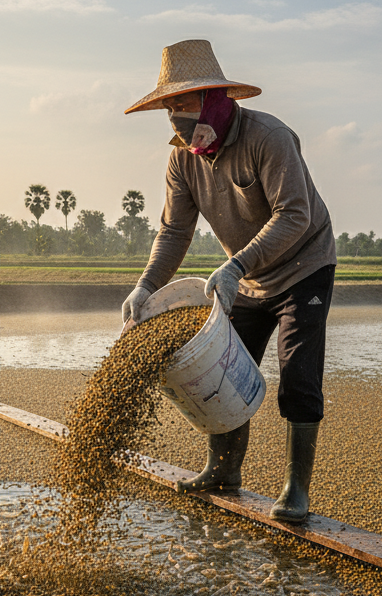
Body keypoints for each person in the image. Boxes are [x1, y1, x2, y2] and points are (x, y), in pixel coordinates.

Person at [121, 39, 336, 523]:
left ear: (216, 98)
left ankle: (295, 490)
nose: (175, 116)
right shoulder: (183, 158)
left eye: (184, 102)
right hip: (245, 278)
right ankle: (224, 470)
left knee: (297, 374)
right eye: (169, 107)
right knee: (218, 371)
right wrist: (145, 286)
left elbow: (295, 214)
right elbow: (175, 230)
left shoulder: (268, 137)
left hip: (304, 267)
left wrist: (237, 265)